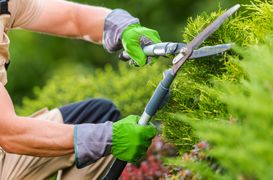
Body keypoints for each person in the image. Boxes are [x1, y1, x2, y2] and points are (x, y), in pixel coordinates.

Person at [0, 0, 161, 179]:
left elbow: (72, 18)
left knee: (99, 115)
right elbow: (10, 134)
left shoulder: (5, 5)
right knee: (102, 136)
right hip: (7, 138)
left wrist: (122, 28)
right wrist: (107, 138)